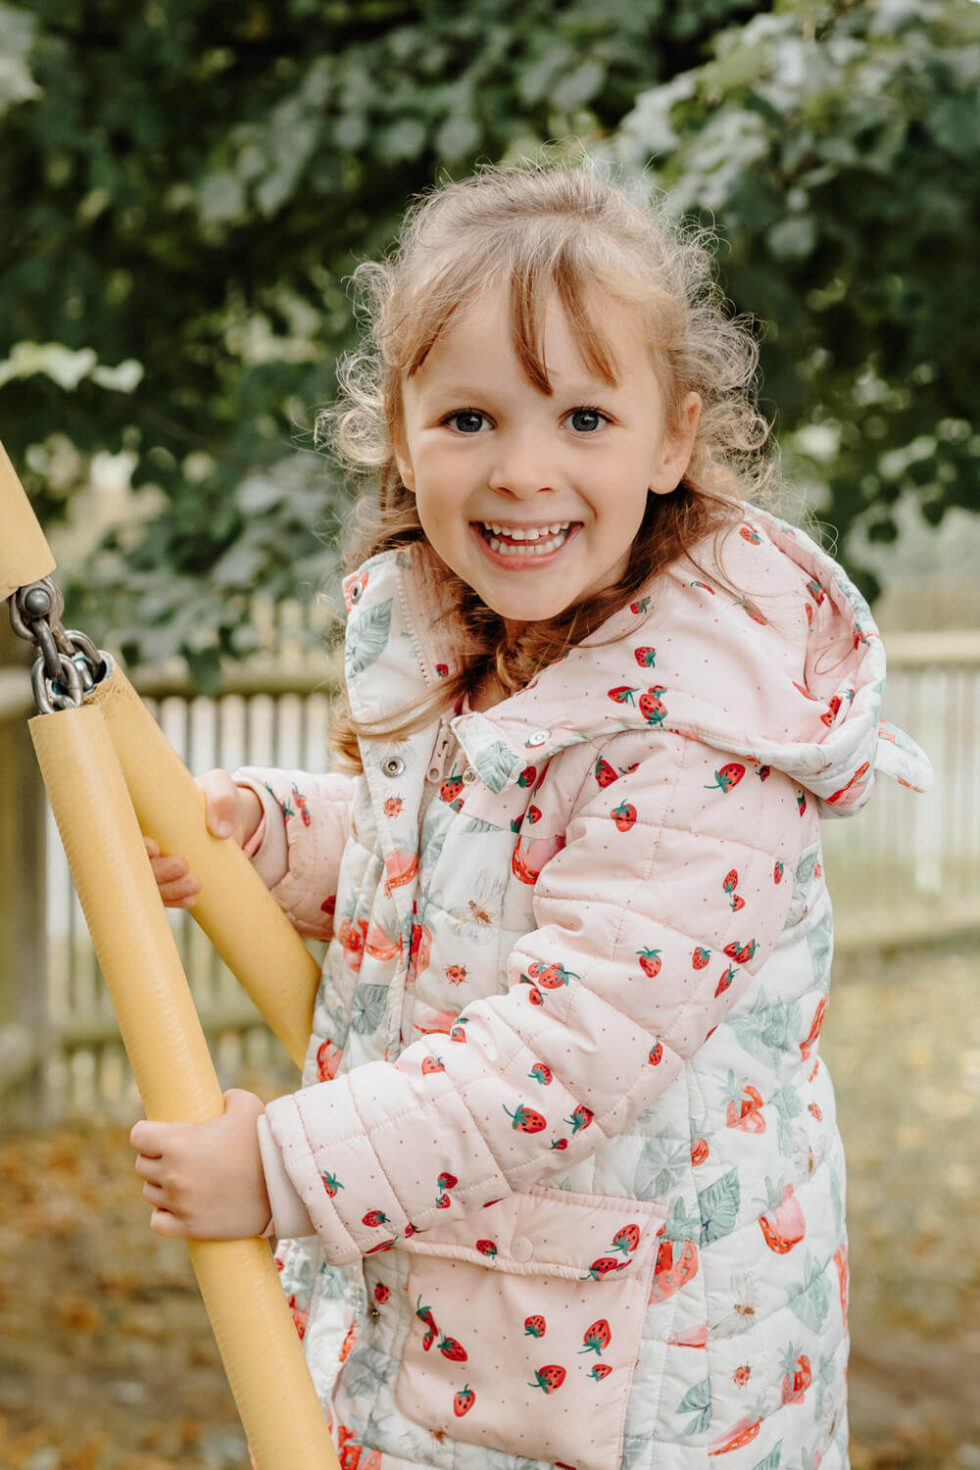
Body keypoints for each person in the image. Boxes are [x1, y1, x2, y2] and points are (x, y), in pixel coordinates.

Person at [130, 162, 932, 1470]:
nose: (522, 470)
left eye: (580, 415)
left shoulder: (701, 736)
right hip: (483, 1337)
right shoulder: (491, 653)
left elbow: (567, 1049)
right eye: (469, 417)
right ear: (399, 431)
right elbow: (460, 875)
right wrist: (271, 833)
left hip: (650, 1398)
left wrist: (281, 1168)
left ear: (670, 439)